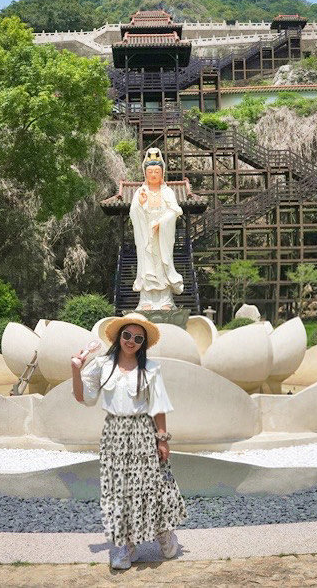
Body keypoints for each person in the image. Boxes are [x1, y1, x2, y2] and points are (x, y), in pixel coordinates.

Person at [71, 312, 187, 570]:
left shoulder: (151, 369)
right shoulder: (102, 364)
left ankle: (164, 532)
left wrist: (162, 439)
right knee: (118, 491)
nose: (131, 341)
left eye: (137, 338)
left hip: (143, 431)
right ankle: (124, 545)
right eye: (127, 335)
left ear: (143, 343)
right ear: (119, 337)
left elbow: (158, 407)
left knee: (152, 488)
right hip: (114, 433)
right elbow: (83, 397)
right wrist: (75, 370)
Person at [130, 147, 183, 310]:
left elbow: (175, 211)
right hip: (146, 235)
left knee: (162, 264)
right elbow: (133, 212)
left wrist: (162, 221)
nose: (153, 175)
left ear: (162, 173)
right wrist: (139, 202)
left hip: (162, 235)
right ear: (145, 173)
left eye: (157, 171)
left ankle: (165, 300)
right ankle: (146, 301)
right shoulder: (140, 191)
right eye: (150, 171)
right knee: (147, 266)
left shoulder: (167, 192)